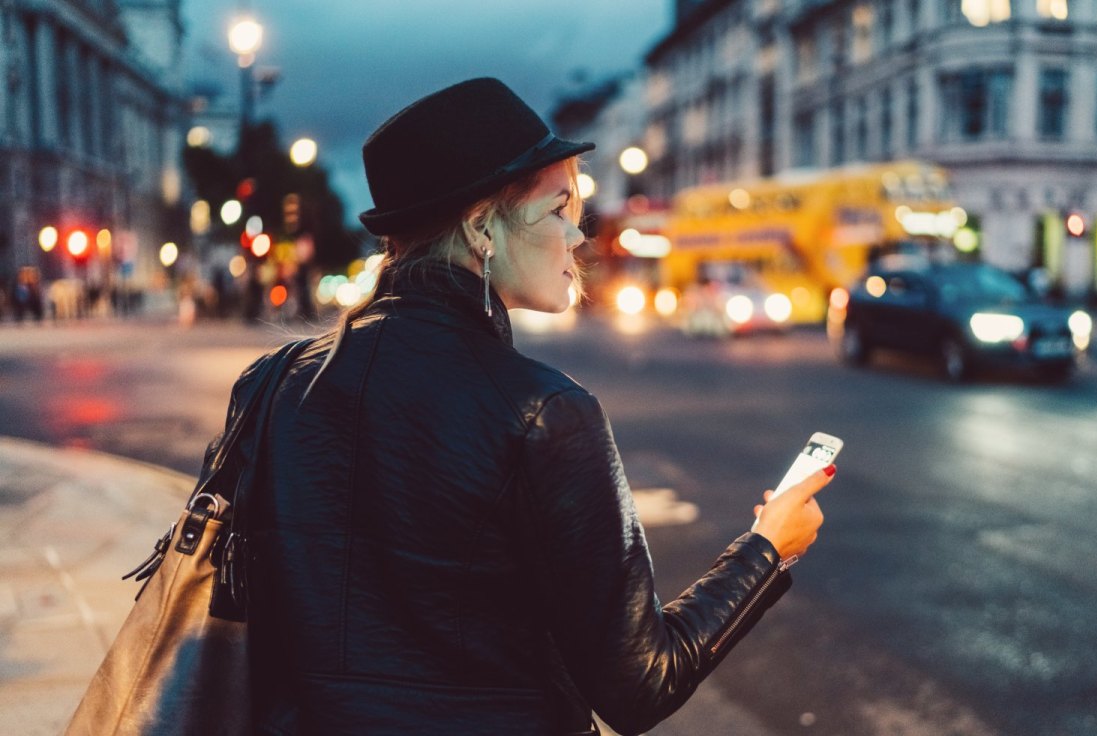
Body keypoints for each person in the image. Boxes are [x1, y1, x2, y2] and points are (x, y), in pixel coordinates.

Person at [243, 78, 831, 735]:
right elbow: (640, 685)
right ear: (482, 228)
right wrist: (765, 550)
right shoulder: (545, 413)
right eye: (558, 209)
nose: (578, 234)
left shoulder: (271, 385)